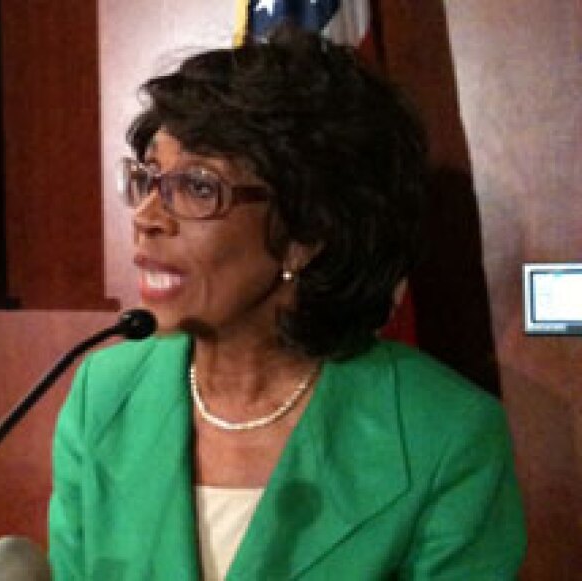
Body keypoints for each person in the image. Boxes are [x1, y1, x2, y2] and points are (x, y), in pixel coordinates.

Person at [48, 25, 526, 580]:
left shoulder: (446, 434)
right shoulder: (104, 394)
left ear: (308, 232)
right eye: (149, 179)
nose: (147, 217)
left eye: (199, 188)